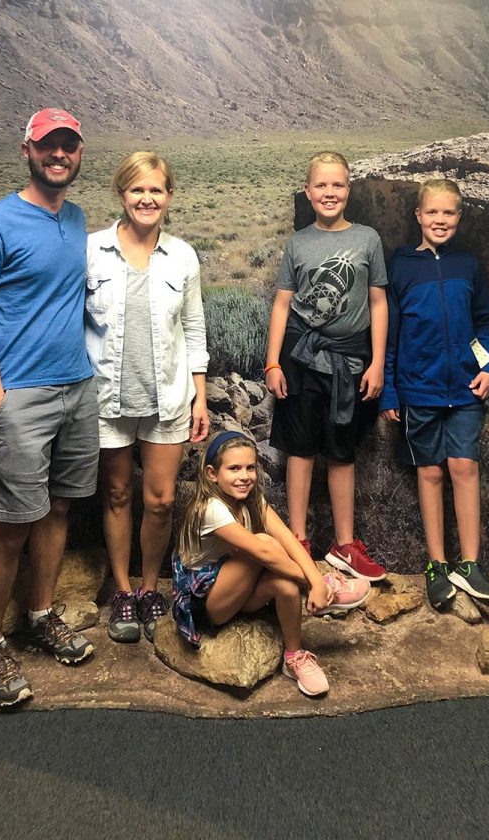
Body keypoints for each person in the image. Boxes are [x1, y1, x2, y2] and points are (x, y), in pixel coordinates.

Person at [0, 108, 98, 708]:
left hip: (77, 387)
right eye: (48, 146)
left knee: (59, 509)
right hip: (22, 394)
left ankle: (40, 615)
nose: (58, 155)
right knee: (11, 526)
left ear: (77, 153)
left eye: (68, 146)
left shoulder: (77, 219)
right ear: (27, 150)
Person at [85, 151, 210, 644]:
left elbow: (195, 328)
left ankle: (151, 587)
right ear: (122, 194)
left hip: (168, 398)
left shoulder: (182, 256)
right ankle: (121, 590)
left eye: (156, 190)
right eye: (137, 189)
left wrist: (200, 397)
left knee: (159, 502)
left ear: (169, 196)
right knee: (117, 495)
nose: (147, 198)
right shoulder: (92, 250)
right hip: (107, 398)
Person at [264, 151, 389, 581]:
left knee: (341, 451)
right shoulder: (298, 243)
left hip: (350, 361)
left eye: (337, 185)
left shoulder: (368, 239)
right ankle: (298, 538)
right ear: (308, 191)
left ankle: (344, 544)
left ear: (348, 190)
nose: (329, 192)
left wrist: (377, 364)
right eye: (321, 185)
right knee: (299, 449)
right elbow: (282, 305)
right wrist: (273, 362)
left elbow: (378, 302)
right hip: (300, 357)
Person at [172, 431, 370, 697]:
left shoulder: (252, 499)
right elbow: (262, 552)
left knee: (285, 585)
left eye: (250, 467)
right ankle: (327, 589)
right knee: (263, 543)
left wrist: (313, 580)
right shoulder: (210, 508)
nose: (245, 476)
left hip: (237, 590)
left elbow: (288, 539)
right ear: (212, 474)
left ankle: (294, 656)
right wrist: (315, 582)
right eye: (234, 468)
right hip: (207, 603)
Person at [380, 177, 489, 609]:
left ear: (459, 217)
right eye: (432, 212)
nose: (440, 220)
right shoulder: (401, 268)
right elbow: (390, 336)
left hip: (466, 391)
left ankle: (471, 564)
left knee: (464, 468)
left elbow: (484, 324)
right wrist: (391, 393)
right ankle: (437, 565)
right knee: (430, 473)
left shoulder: (468, 265)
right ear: (418, 215)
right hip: (419, 391)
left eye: (448, 212)